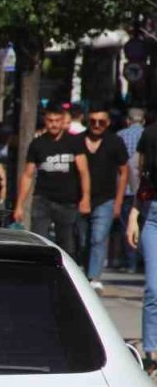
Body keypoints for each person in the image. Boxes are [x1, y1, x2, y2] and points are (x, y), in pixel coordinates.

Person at [13, 105, 90, 258]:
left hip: (67, 200)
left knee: (67, 244)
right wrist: (19, 205)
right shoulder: (37, 144)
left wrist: (85, 197)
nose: (54, 124)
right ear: (45, 121)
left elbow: (84, 171)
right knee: (38, 240)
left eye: (57, 120)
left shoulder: (74, 142)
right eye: (50, 120)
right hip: (43, 198)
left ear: (63, 122)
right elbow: (28, 175)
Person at [80, 105, 130, 290]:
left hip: (106, 199)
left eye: (101, 122)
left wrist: (118, 201)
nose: (97, 125)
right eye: (93, 121)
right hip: (79, 198)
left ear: (108, 123)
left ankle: (93, 277)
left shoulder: (114, 142)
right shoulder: (77, 140)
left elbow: (124, 172)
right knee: (83, 239)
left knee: (98, 238)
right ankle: (83, 273)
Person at [126, 191, 157, 373]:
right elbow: (145, 182)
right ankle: (151, 350)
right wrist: (133, 216)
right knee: (154, 289)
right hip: (153, 217)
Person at [117, 107, 147, 272]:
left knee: (127, 227)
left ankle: (131, 263)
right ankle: (144, 261)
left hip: (126, 189)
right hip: (145, 190)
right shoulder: (148, 135)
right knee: (145, 225)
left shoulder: (120, 136)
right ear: (143, 121)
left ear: (128, 120)